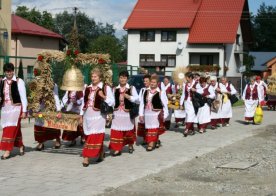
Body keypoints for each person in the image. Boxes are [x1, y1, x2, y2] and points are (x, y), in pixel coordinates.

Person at [80, 68, 114, 167]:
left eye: (95, 76)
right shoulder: (87, 88)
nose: (93, 78)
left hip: (99, 116)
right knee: (88, 135)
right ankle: (100, 153)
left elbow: (112, 102)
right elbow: (83, 102)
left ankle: (86, 157)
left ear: (100, 78)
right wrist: (80, 115)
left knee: (93, 136)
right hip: (87, 116)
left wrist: (103, 96)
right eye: (92, 76)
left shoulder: (105, 87)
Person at [0, 63, 27, 159]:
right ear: (4, 72)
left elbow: (23, 97)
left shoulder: (19, 81)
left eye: (11, 70)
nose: (9, 73)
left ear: (13, 71)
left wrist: (24, 111)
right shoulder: (2, 81)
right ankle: (20, 146)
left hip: (16, 108)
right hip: (5, 108)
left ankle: (7, 151)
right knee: (15, 128)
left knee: (10, 129)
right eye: (7, 71)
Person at [109, 71, 139, 156]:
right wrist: (110, 113)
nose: (122, 79)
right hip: (117, 113)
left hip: (127, 114)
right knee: (116, 131)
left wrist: (129, 97)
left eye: (124, 78)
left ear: (127, 79)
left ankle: (130, 145)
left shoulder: (131, 88)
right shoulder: (115, 89)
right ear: (119, 78)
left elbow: (138, 99)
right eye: (121, 77)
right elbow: (112, 102)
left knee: (128, 131)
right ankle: (117, 149)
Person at [139, 75, 168, 151]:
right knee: (148, 129)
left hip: (156, 114)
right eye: (151, 82)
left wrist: (165, 115)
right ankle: (155, 141)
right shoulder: (146, 91)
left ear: (157, 83)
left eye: (154, 82)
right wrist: (141, 114)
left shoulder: (160, 92)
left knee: (154, 129)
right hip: (147, 114)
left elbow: (165, 105)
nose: (152, 83)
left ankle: (151, 143)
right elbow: (142, 103)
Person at [34, 83, 62, 150]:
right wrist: (35, 107)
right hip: (40, 109)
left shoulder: (53, 84)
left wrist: (58, 109)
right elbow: (35, 96)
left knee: (53, 125)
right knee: (39, 125)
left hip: (50, 108)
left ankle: (57, 140)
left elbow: (56, 96)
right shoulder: (37, 83)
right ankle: (41, 142)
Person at [180, 72, 198, 137]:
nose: (186, 79)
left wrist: (195, 90)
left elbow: (201, 91)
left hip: (194, 102)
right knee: (188, 115)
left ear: (190, 77)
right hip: (187, 102)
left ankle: (186, 129)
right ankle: (192, 130)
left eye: (186, 77)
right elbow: (183, 94)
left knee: (191, 115)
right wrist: (181, 104)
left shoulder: (196, 83)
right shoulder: (185, 84)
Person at [137, 74, 151, 144]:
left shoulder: (154, 90)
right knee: (144, 126)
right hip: (145, 111)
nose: (145, 82)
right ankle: (145, 139)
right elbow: (140, 102)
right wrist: (140, 114)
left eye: (146, 81)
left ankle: (154, 140)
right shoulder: (142, 90)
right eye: (144, 81)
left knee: (151, 127)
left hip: (152, 112)